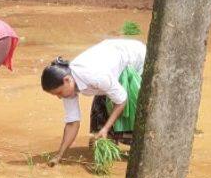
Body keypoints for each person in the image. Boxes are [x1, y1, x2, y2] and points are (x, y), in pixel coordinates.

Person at [41, 39, 146, 167]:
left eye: (59, 92)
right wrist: (59, 155)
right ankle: (109, 143)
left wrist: (106, 128)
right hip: (109, 70)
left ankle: (141, 147)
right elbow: (73, 122)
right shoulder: (69, 87)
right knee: (99, 120)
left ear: (67, 80)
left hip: (135, 59)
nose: (59, 97)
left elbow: (122, 99)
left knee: (134, 110)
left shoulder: (94, 75)